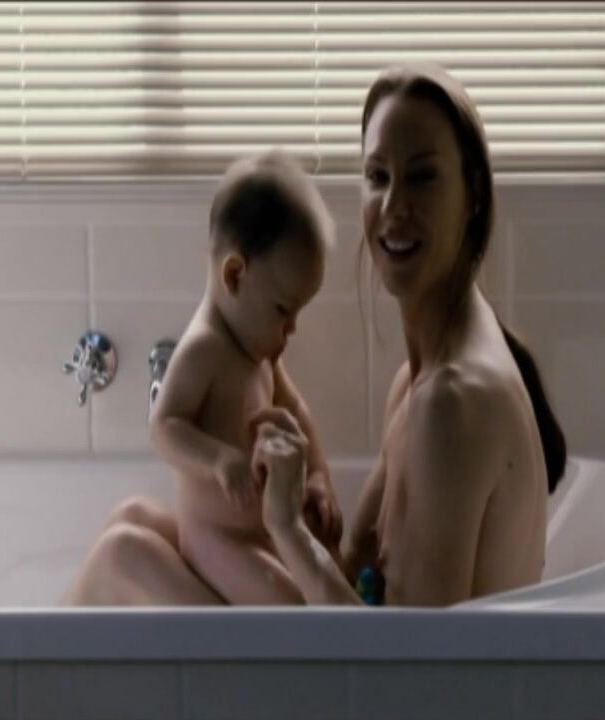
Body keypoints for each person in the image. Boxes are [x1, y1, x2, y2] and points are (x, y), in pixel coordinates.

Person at [64, 64, 565, 607]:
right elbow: (359, 576)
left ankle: (23, 663)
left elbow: (405, 656)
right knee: (133, 523)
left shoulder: (450, 405)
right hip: (378, 657)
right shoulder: (416, 385)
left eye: (422, 177)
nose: (393, 206)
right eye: (377, 177)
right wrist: (308, 508)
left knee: (121, 558)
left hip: (403, 668)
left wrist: (285, 526)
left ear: (473, 194)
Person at [63, 151, 342, 606]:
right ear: (234, 275)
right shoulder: (204, 350)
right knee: (288, 609)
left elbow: (296, 412)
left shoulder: (258, 352)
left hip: (252, 532)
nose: (291, 329)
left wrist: (318, 478)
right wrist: (219, 460)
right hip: (216, 537)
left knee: (302, 595)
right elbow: (164, 428)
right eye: (282, 310)